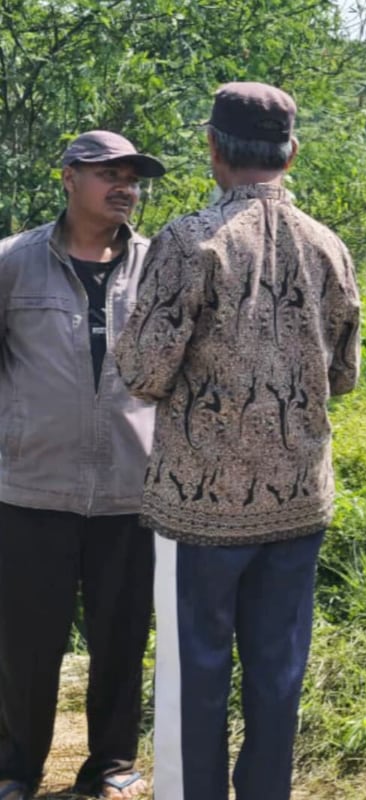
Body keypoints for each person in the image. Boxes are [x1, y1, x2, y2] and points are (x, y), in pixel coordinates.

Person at [114, 82, 360, 800]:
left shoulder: (188, 241)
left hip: (201, 506)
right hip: (296, 498)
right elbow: (343, 375)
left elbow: (141, 371)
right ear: (292, 153)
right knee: (278, 676)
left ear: (215, 150)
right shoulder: (329, 247)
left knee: (195, 674)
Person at [0, 131, 163, 800]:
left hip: (131, 487)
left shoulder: (158, 266)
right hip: (31, 486)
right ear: (68, 177)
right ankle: (15, 768)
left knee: (122, 639)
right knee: (24, 643)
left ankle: (111, 765)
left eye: (133, 176)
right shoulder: (12, 262)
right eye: (108, 174)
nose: (126, 186)